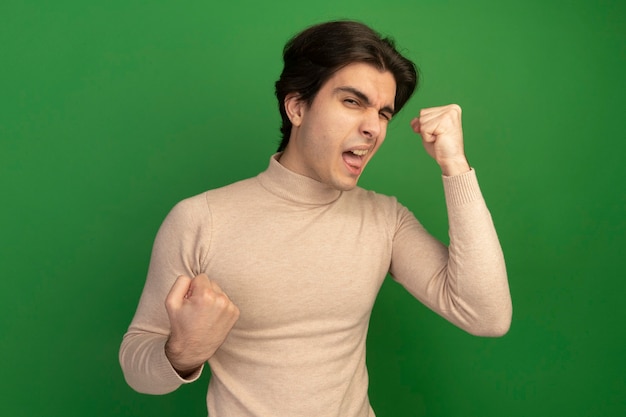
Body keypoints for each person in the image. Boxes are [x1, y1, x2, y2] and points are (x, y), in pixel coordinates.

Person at [119, 20, 512, 417]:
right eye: (352, 102)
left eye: (384, 114)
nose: (373, 128)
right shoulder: (201, 220)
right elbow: (138, 369)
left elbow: (487, 315)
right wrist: (184, 352)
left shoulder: (385, 219)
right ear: (297, 107)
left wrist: (455, 166)